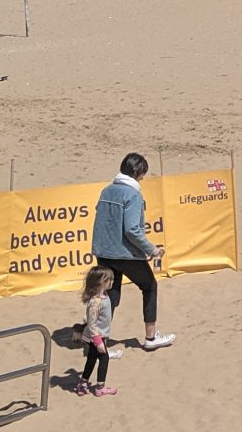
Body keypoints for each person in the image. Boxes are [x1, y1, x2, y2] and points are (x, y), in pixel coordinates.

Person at [91, 153, 172, 351]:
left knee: (111, 296)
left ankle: (99, 342)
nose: (143, 177)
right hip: (125, 253)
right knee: (149, 286)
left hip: (104, 251)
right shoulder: (133, 194)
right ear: (137, 172)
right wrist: (151, 249)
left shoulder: (106, 190)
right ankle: (151, 337)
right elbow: (132, 229)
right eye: (142, 173)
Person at [74, 265, 117, 397]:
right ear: (101, 282)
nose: (112, 282)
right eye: (109, 280)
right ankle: (100, 387)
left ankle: (82, 383)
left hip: (96, 335)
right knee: (104, 359)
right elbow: (92, 323)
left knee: (91, 359)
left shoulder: (104, 295)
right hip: (96, 337)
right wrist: (98, 341)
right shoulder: (96, 302)